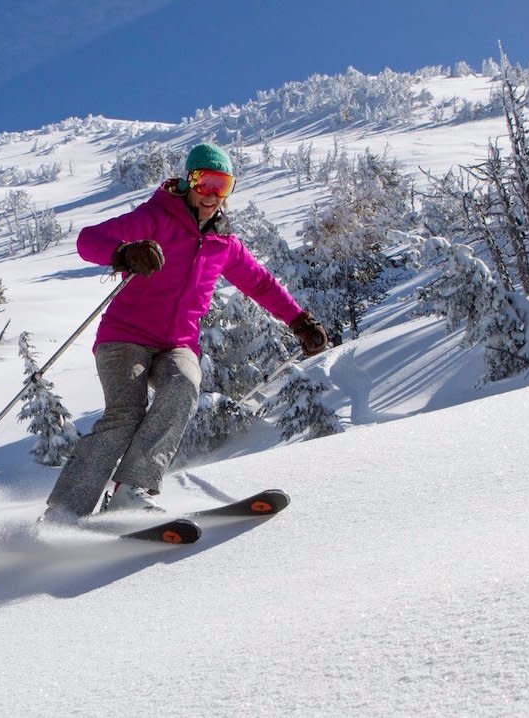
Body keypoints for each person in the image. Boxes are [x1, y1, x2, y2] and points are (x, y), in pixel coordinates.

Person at [44, 143, 326, 522]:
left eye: (222, 186)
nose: (212, 195)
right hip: (124, 337)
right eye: (205, 183)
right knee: (124, 414)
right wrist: (125, 253)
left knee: (184, 387)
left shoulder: (224, 243)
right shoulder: (155, 217)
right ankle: (65, 510)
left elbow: (260, 285)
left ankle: (132, 490)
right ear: (188, 180)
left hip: (177, 344)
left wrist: (298, 320)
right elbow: (88, 241)